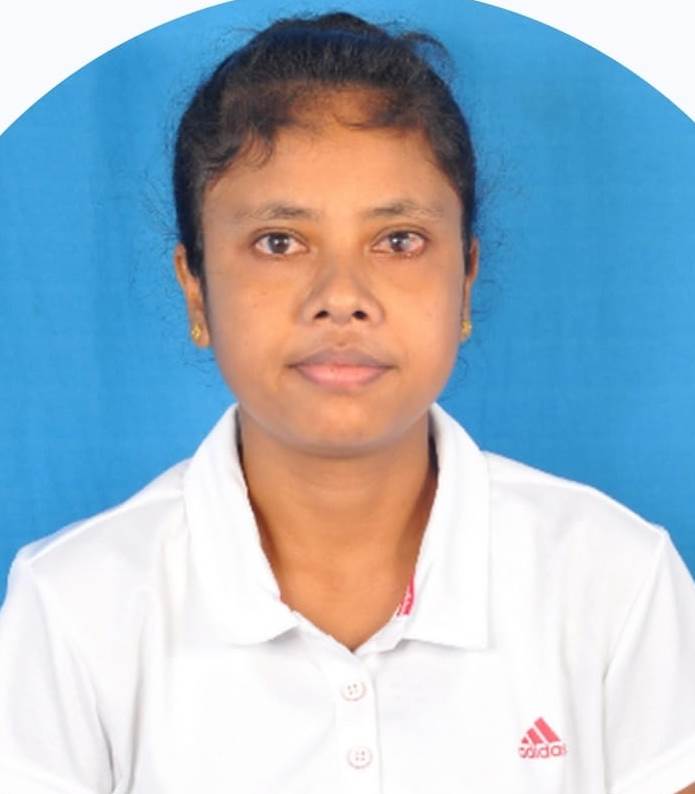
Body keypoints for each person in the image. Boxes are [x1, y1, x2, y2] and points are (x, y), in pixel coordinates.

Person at [1, 11, 694, 794]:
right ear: (195, 290)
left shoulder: (613, 581)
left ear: (465, 281)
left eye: (397, 240)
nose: (341, 297)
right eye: (279, 242)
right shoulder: (74, 605)